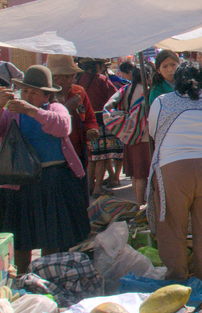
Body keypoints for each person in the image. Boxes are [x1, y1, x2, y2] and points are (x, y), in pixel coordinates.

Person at [0, 65, 90, 274]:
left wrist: (31, 110)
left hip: (52, 181)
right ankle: (23, 278)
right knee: (21, 241)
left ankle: (48, 277)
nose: (28, 95)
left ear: (47, 95)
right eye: (25, 91)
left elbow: (62, 126)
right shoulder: (10, 114)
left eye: (34, 92)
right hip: (19, 184)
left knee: (53, 239)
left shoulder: (54, 109)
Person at [148, 63, 202, 289]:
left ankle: (177, 285)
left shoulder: (161, 102)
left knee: (173, 229)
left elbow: (153, 132)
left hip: (173, 170)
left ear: (177, 80)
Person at [46, 55, 98, 188]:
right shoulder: (44, 97)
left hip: (78, 154)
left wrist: (91, 130)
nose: (72, 81)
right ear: (55, 78)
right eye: (67, 77)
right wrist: (66, 109)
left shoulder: (79, 92)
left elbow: (90, 118)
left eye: (72, 76)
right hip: (55, 159)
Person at [104, 62, 151, 206]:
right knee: (142, 175)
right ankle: (141, 205)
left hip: (129, 138)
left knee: (136, 176)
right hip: (143, 138)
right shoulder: (146, 91)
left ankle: (137, 203)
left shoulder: (126, 89)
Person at [76, 58, 122, 193]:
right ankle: (97, 188)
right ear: (97, 66)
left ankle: (90, 185)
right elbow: (115, 96)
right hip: (100, 120)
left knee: (92, 157)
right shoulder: (102, 79)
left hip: (85, 120)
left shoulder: (78, 80)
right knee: (102, 156)